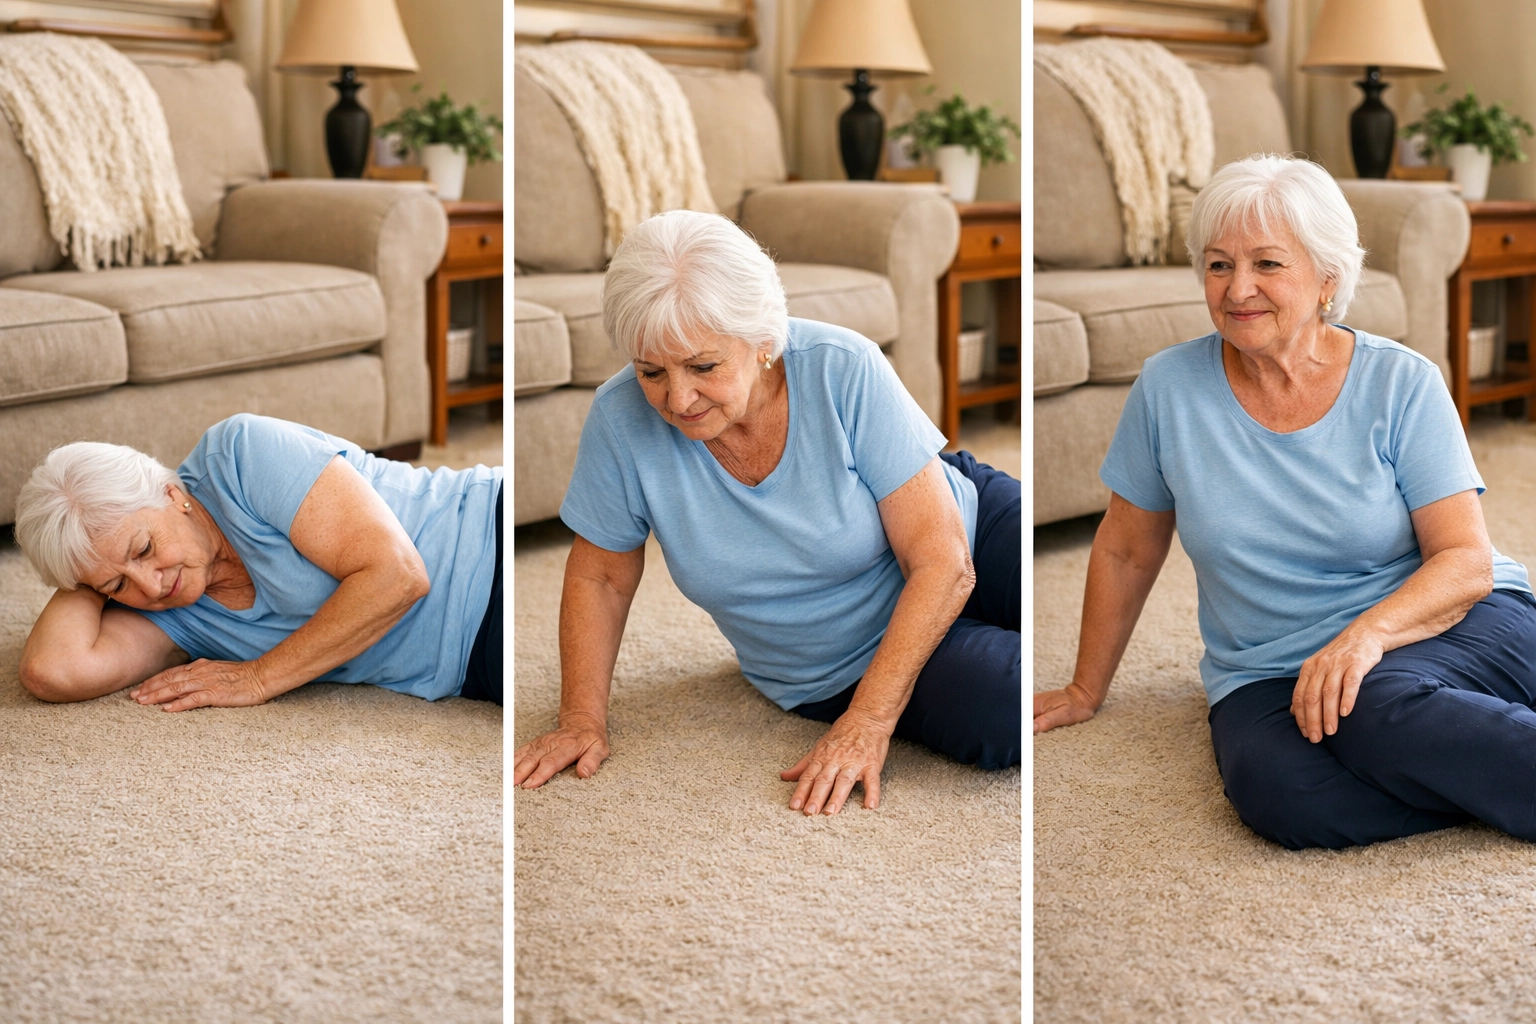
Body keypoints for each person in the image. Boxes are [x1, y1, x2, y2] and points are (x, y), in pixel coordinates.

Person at [1033, 154, 1536, 850]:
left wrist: (1363, 641)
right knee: (1280, 796)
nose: (1238, 289)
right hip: (1267, 667)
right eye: (1217, 265)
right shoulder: (1168, 388)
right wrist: (1085, 688)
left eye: (1268, 264)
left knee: (1371, 706)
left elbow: (1464, 561)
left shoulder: (1401, 382)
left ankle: (1456, 743)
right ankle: (1470, 765)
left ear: (1328, 277)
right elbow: (1125, 546)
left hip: (1438, 621)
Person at [512, 209, 1020, 816]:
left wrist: (869, 723)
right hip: (840, 660)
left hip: (963, 528)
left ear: (762, 342)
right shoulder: (620, 420)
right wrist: (578, 719)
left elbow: (943, 562)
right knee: (1007, 707)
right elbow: (600, 577)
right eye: (651, 371)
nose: (677, 399)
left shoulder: (842, 365)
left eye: (703, 367)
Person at [14, 414, 503, 709]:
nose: (149, 585)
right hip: (469, 668)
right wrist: (80, 567)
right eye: (116, 587)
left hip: (487, 540)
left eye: (141, 549)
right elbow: (53, 671)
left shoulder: (240, 455)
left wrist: (258, 678)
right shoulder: (162, 609)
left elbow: (398, 575)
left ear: (171, 494)